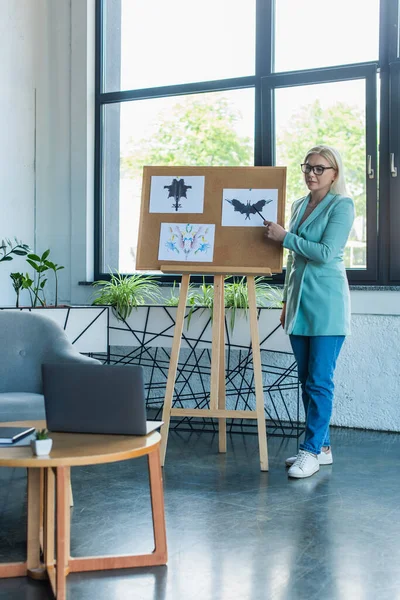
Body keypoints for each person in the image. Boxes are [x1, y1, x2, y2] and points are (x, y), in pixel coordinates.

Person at [263, 145, 355, 479]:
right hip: (299, 303)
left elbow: (326, 252)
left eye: (319, 168)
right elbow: (293, 261)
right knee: (305, 380)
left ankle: (311, 450)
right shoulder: (299, 205)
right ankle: (323, 448)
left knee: (319, 380)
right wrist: (287, 301)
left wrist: (286, 238)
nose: (311, 174)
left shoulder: (342, 205)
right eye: (307, 168)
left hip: (327, 303)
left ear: (334, 173)